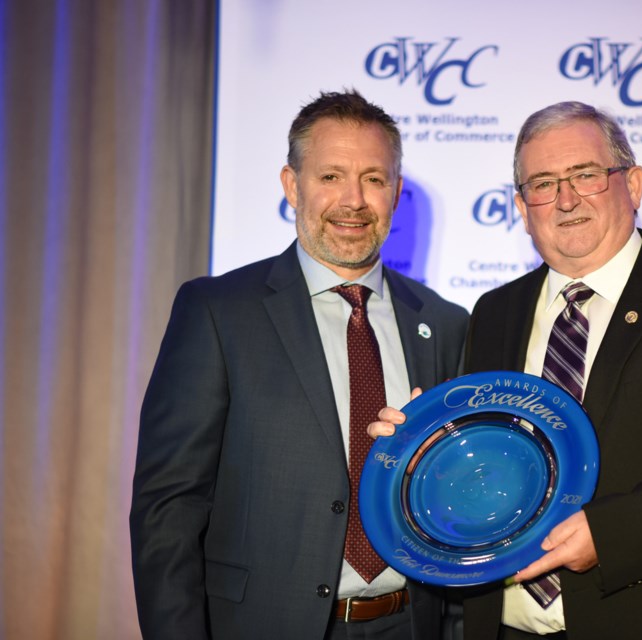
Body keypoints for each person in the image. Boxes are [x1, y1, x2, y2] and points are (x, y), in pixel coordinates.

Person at [371, 101, 642, 639]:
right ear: (521, 207)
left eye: (586, 175)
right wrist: (418, 456)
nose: (566, 198)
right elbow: (491, 462)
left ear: (634, 184)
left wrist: (612, 534)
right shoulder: (494, 312)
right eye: (543, 183)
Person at [130, 90, 469, 640]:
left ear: (396, 193)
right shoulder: (218, 312)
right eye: (330, 176)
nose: (353, 201)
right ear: (292, 185)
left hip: (410, 624)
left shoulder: (445, 322)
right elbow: (169, 508)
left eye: (374, 179)